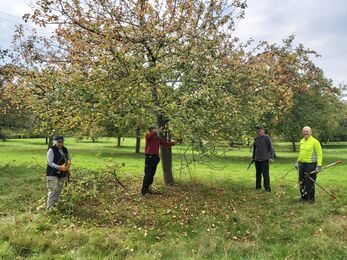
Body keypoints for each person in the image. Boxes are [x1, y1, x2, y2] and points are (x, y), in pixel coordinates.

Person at [141, 125, 179, 196]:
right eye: (154, 129)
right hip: (149, 157)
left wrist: (175, 142)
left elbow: (166, 143)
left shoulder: (158, 138)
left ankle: (148, 189)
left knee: (152, 174)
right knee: (147, 174)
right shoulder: (148, 136)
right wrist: (158, 130)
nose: (156, 131)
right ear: (151, 130)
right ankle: (144, 191)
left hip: (155, 158)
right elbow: (153, 133)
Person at [295, 126, 323, 203]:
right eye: (304, 131)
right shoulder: (301, 141)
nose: (305, 132)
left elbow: (319, 154)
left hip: (311, 165)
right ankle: (303, 197)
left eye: (307, 131)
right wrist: (297, 161)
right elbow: (301, 153)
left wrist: (319, 165)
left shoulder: (315, 142)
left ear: (311, 132)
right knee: (301, 181)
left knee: (309, 182)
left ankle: (311, 199)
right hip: (302, 165)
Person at [46, 135, 71, 209]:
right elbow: (49, 162)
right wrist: (59, 167)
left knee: (58, 191)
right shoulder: (51, 150)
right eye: (59, 142)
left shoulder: (65, 149)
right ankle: (49, 209)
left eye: (62, 142)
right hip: (52, 173)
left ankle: (55, 207)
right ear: (54, 142)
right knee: (53, 191)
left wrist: (68, 164)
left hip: (62, 173)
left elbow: (68, 158)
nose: (60, 144)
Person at [252, 125, 275, 192]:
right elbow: (254, 149)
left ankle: (267, 188)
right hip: (257, 159)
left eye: (261, 129)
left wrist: (271, 157)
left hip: (265, 159)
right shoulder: (256, 138)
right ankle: (258, 186)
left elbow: (271, 148)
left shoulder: (267, 137)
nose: (259, 131)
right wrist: (253, 157)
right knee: (258, 174)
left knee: (265, 174)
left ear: (263, 130)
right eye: (258, 130)